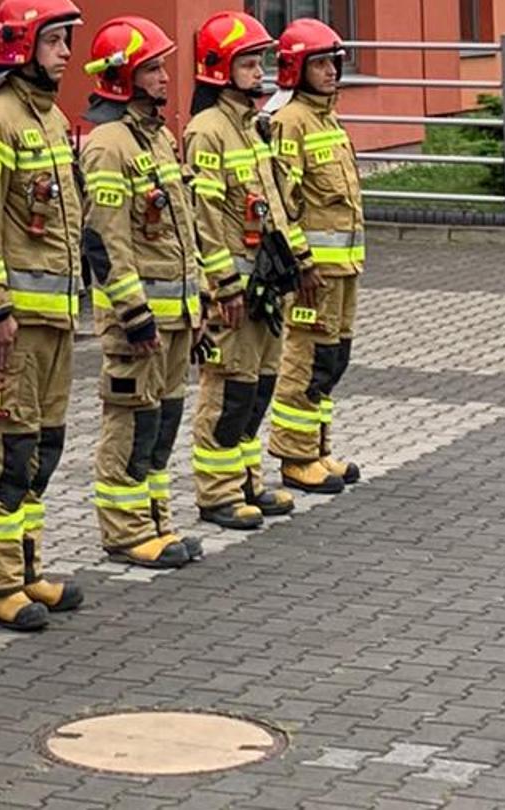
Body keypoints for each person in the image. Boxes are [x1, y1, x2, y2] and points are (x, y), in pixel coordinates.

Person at [0, 0, 88, 632]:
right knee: (6, 454)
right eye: (55, 41)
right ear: (21, 46)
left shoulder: (52, 118)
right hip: (11, 327)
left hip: (53, 322)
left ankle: (27, 565)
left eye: (67, 41)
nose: (66, 53)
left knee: (41, 449)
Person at [79, 16, 199, 569]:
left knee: (162, 420)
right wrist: (134, 314)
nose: (164, 78)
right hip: (139, 321)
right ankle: (126, 531)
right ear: (122, 76)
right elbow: (106, 240)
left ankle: (156, 519)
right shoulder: (109, 145)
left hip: (175, 316)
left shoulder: (157, 138)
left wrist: (196, 302)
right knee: (131, 422)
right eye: (151, 69)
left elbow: (181, 230)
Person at [184, 11, 304, 536]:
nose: (260, 72)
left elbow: (274, 204)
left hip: (264, 285)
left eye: (260, 62)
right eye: (249, 64)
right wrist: (221, 286)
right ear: (219, 68)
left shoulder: (253, 128)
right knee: (228, 392)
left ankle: (247, 481)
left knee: (259, 387)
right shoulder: (207, 132)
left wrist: (293, 264)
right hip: (233, 289)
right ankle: (217, 493)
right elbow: (205, 217)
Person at [266, 17, 365, 494]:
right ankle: (295, 456)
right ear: (296, 68)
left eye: (334, 63)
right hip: (313, 275)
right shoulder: (290, 122)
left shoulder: (327, 118)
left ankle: (319, 448)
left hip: (343, 270)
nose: (330, 72)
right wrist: (301, 263)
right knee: (305, 362)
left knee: (331, 360)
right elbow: (283, 205)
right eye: (320, 63)